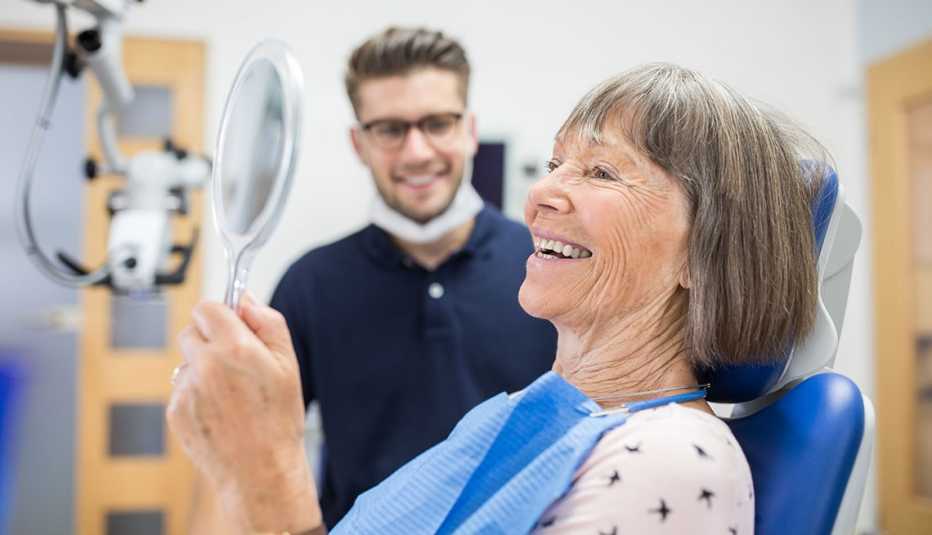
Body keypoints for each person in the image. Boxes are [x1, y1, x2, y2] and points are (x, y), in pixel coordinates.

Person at [168, 62, 827, 534]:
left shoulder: (669, 466)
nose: (540, 195)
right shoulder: (533, 418)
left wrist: (268, 490)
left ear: (703, 249)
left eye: (600, 170)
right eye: (554, 164)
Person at [189, 26, 558, 532]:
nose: (416, 152)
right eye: (389, 129)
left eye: (437, 123)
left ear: (469, 130)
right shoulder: (311, 284)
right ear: (359, 144)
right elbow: (251, 444)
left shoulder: (546, 266)